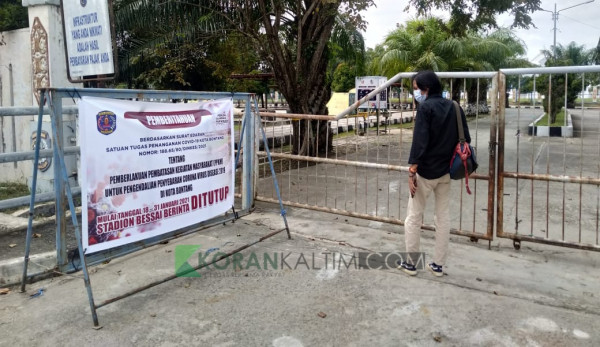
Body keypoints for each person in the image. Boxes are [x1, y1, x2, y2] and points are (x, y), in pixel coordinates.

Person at [398, 71, 471, 277]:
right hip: (446, 172)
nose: (415, 93)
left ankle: (411, 264)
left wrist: (412, 171)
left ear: (426, 88)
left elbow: (419, 142)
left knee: (413, 217)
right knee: (443, 218)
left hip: (425, 173)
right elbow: (466, 138)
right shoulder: (455, 107)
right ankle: (438, 265)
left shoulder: (425, 108)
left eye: (416, 88)